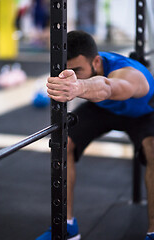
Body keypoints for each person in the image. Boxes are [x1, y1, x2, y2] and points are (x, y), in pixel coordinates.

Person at [36, 30, 154, 240]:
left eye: (77, 70)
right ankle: (66, 227)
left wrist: (78, 86)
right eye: (67, 70)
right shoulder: (86, 68)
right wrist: (76, 81)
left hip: (142, 114)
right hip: (103, 110)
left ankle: (153, 232)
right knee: (63, 143)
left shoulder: (131, 75)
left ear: (97, 62)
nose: (72, 74)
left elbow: (108, 87)